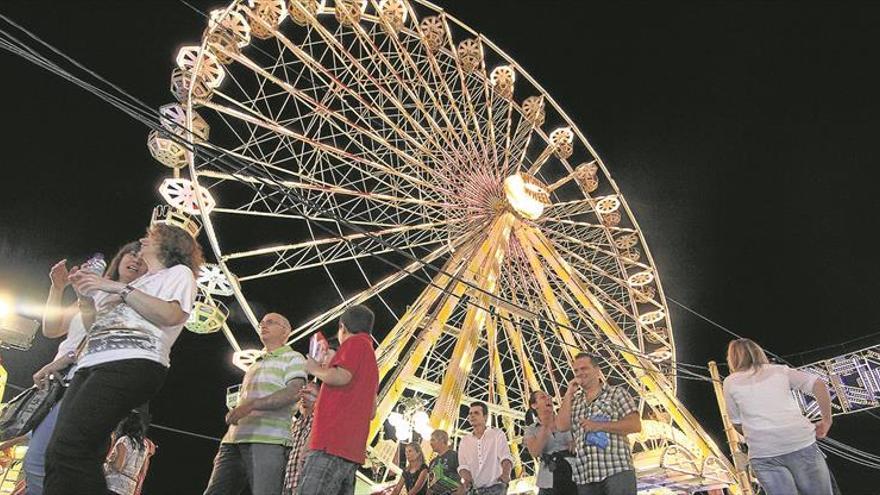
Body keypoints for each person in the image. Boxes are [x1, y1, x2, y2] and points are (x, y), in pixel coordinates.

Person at [44, 223, 201, 494]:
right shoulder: (139, 281)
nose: (142, 240)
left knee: (72, 447)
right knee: (61, 452)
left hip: (132, 362)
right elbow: (94, 326)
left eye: (150, 237)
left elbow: (171, 315)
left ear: (169, 245)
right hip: (91, 364)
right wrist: (84, 298)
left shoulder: (178, 274)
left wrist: (117, 288)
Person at [26, 242, 146, 495]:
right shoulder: (96, 291)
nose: (136, 260)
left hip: (87, 382)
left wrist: (67, 357)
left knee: (41, 461)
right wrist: (57, 288)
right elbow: (52, 328)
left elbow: (103, 337)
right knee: (42, 460)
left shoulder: (136, 301)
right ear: (120, 256)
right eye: (131, 253)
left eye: (144, 258)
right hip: (58, 381)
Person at [204, 312, 307, 495]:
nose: (263, 325)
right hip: (232, 441)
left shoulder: (294, 358)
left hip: (269, 440)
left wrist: (251, 406)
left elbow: (294, 392)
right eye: (261, 323)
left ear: (286, 331)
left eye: (271, 322)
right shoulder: (255, 363)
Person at [723, 338, 834, 495]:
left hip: (764, 455)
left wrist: (761, 436)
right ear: (758, 352)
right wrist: (826, 420)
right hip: (800, 444)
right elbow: (819, 385)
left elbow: (736, 422)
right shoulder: (779, 371)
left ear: (732, 359)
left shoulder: (730, 383)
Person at [297, 304, 379, 495]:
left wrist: (315, 368)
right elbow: (372, 411)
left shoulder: (354, 344)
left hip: (331, 444)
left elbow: (342, 376)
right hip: (351, 451)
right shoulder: (372, 363)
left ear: (342, 327)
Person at [557, 353, 641, 495]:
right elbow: (561, 426)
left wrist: (600, 426)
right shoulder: (575, 402)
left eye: (584, 369)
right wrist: (568, 394)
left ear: (597, 370)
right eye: (576, 371)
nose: (579, 374)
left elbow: (635, 425)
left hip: (616, 470)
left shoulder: (616, 394)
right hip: (586, 477)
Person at [524, 390, 576, 495]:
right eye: (543, 397)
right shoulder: (531, 429)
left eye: (549, 396)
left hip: (574, 473)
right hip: (548, 477)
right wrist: (545, 426)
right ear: (534, 405)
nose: (548, 399)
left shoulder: (567, 420)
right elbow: (535, 452)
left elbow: (584, 435)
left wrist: (576, 442)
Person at [457, 401, 513, 495]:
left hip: (496, 486)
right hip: (475, 490)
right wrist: (467, 481)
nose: (472, 416)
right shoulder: (464, 441)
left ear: (486, 417)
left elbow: (505, 457)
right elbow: (463, 466)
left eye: (476, 413)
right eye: (470, 413)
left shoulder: (497, 434)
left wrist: (506, 474)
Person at [104, 407, 156, 495]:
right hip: (130, 488)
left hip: (115, 485)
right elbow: (143, 469)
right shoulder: (145, 445)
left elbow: (118, 466)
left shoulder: (124, 440)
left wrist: (108, 461)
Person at [426, 430, 458, 495]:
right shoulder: (433, 462)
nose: (430, 443)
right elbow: (431, 485)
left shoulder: (455, 456)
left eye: (433, 440)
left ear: (442, 440)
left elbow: (465, 479)